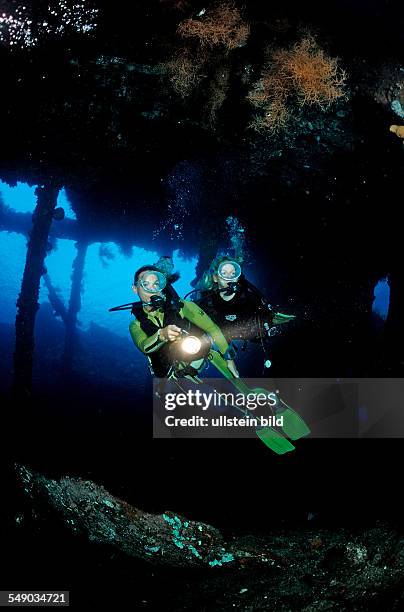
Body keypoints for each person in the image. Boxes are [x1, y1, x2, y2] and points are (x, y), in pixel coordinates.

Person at [128, 264, 240, 380]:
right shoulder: (135, 324)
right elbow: (143, 346)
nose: (152, 289)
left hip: (194, 355)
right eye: (145, 284)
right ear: (135, 289)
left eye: (156, 284)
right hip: (168, 372)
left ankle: (196, 366)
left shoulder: (181, 306)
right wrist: (162, 335)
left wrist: (229, 359)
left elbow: (212, 328)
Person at [194, 256, 295, 369]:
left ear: (238, 277)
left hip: (247, 334)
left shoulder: (249, 298)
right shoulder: (207, 300)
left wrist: (272, 320)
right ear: (215, 278)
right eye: (224, 273)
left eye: (233, 274)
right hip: (221, 337)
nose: (229, 277)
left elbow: (264, 318)